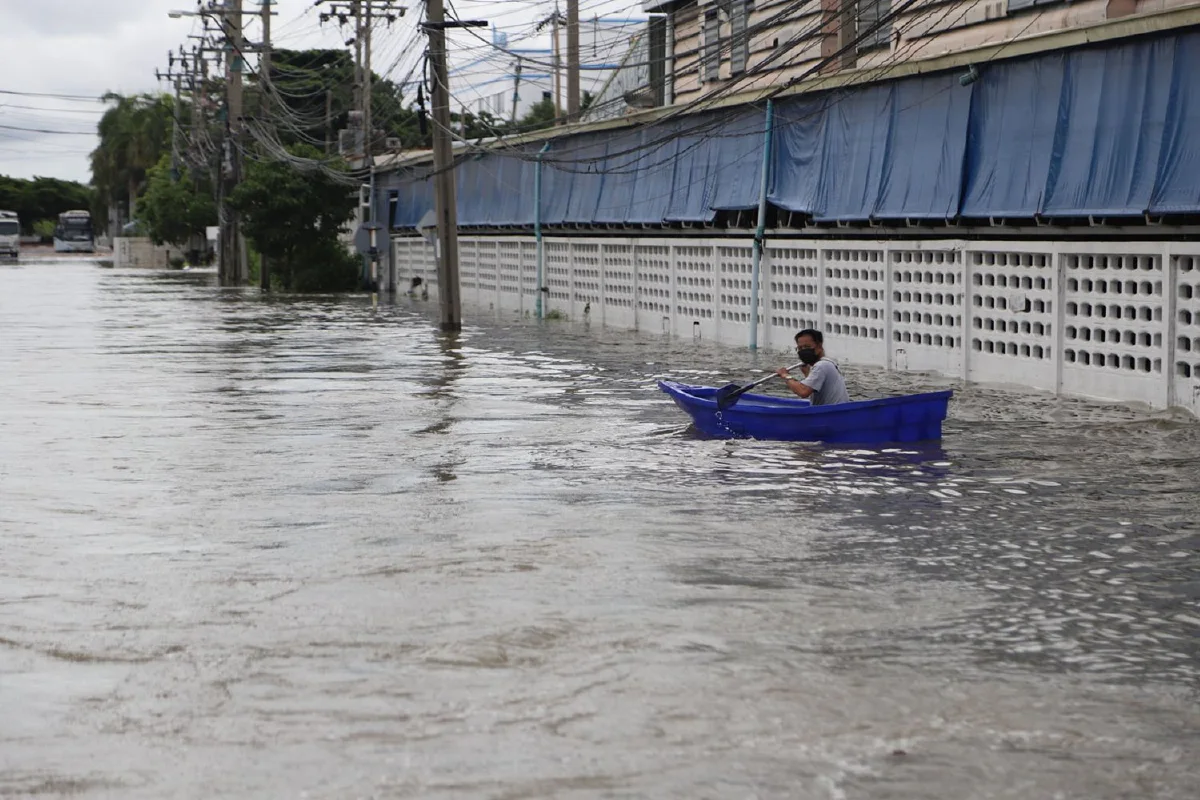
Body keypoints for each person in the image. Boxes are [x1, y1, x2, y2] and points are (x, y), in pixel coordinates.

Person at [776, 329, 851, 406]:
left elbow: (803, 392)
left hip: (831, 412)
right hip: (831, 410)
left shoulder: (821, 366)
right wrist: (807, 373)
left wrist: (785, 375)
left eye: (807, 347)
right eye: (800, 348)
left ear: (819, 346)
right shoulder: (828, 363)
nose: (803, 351)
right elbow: (814, 388)